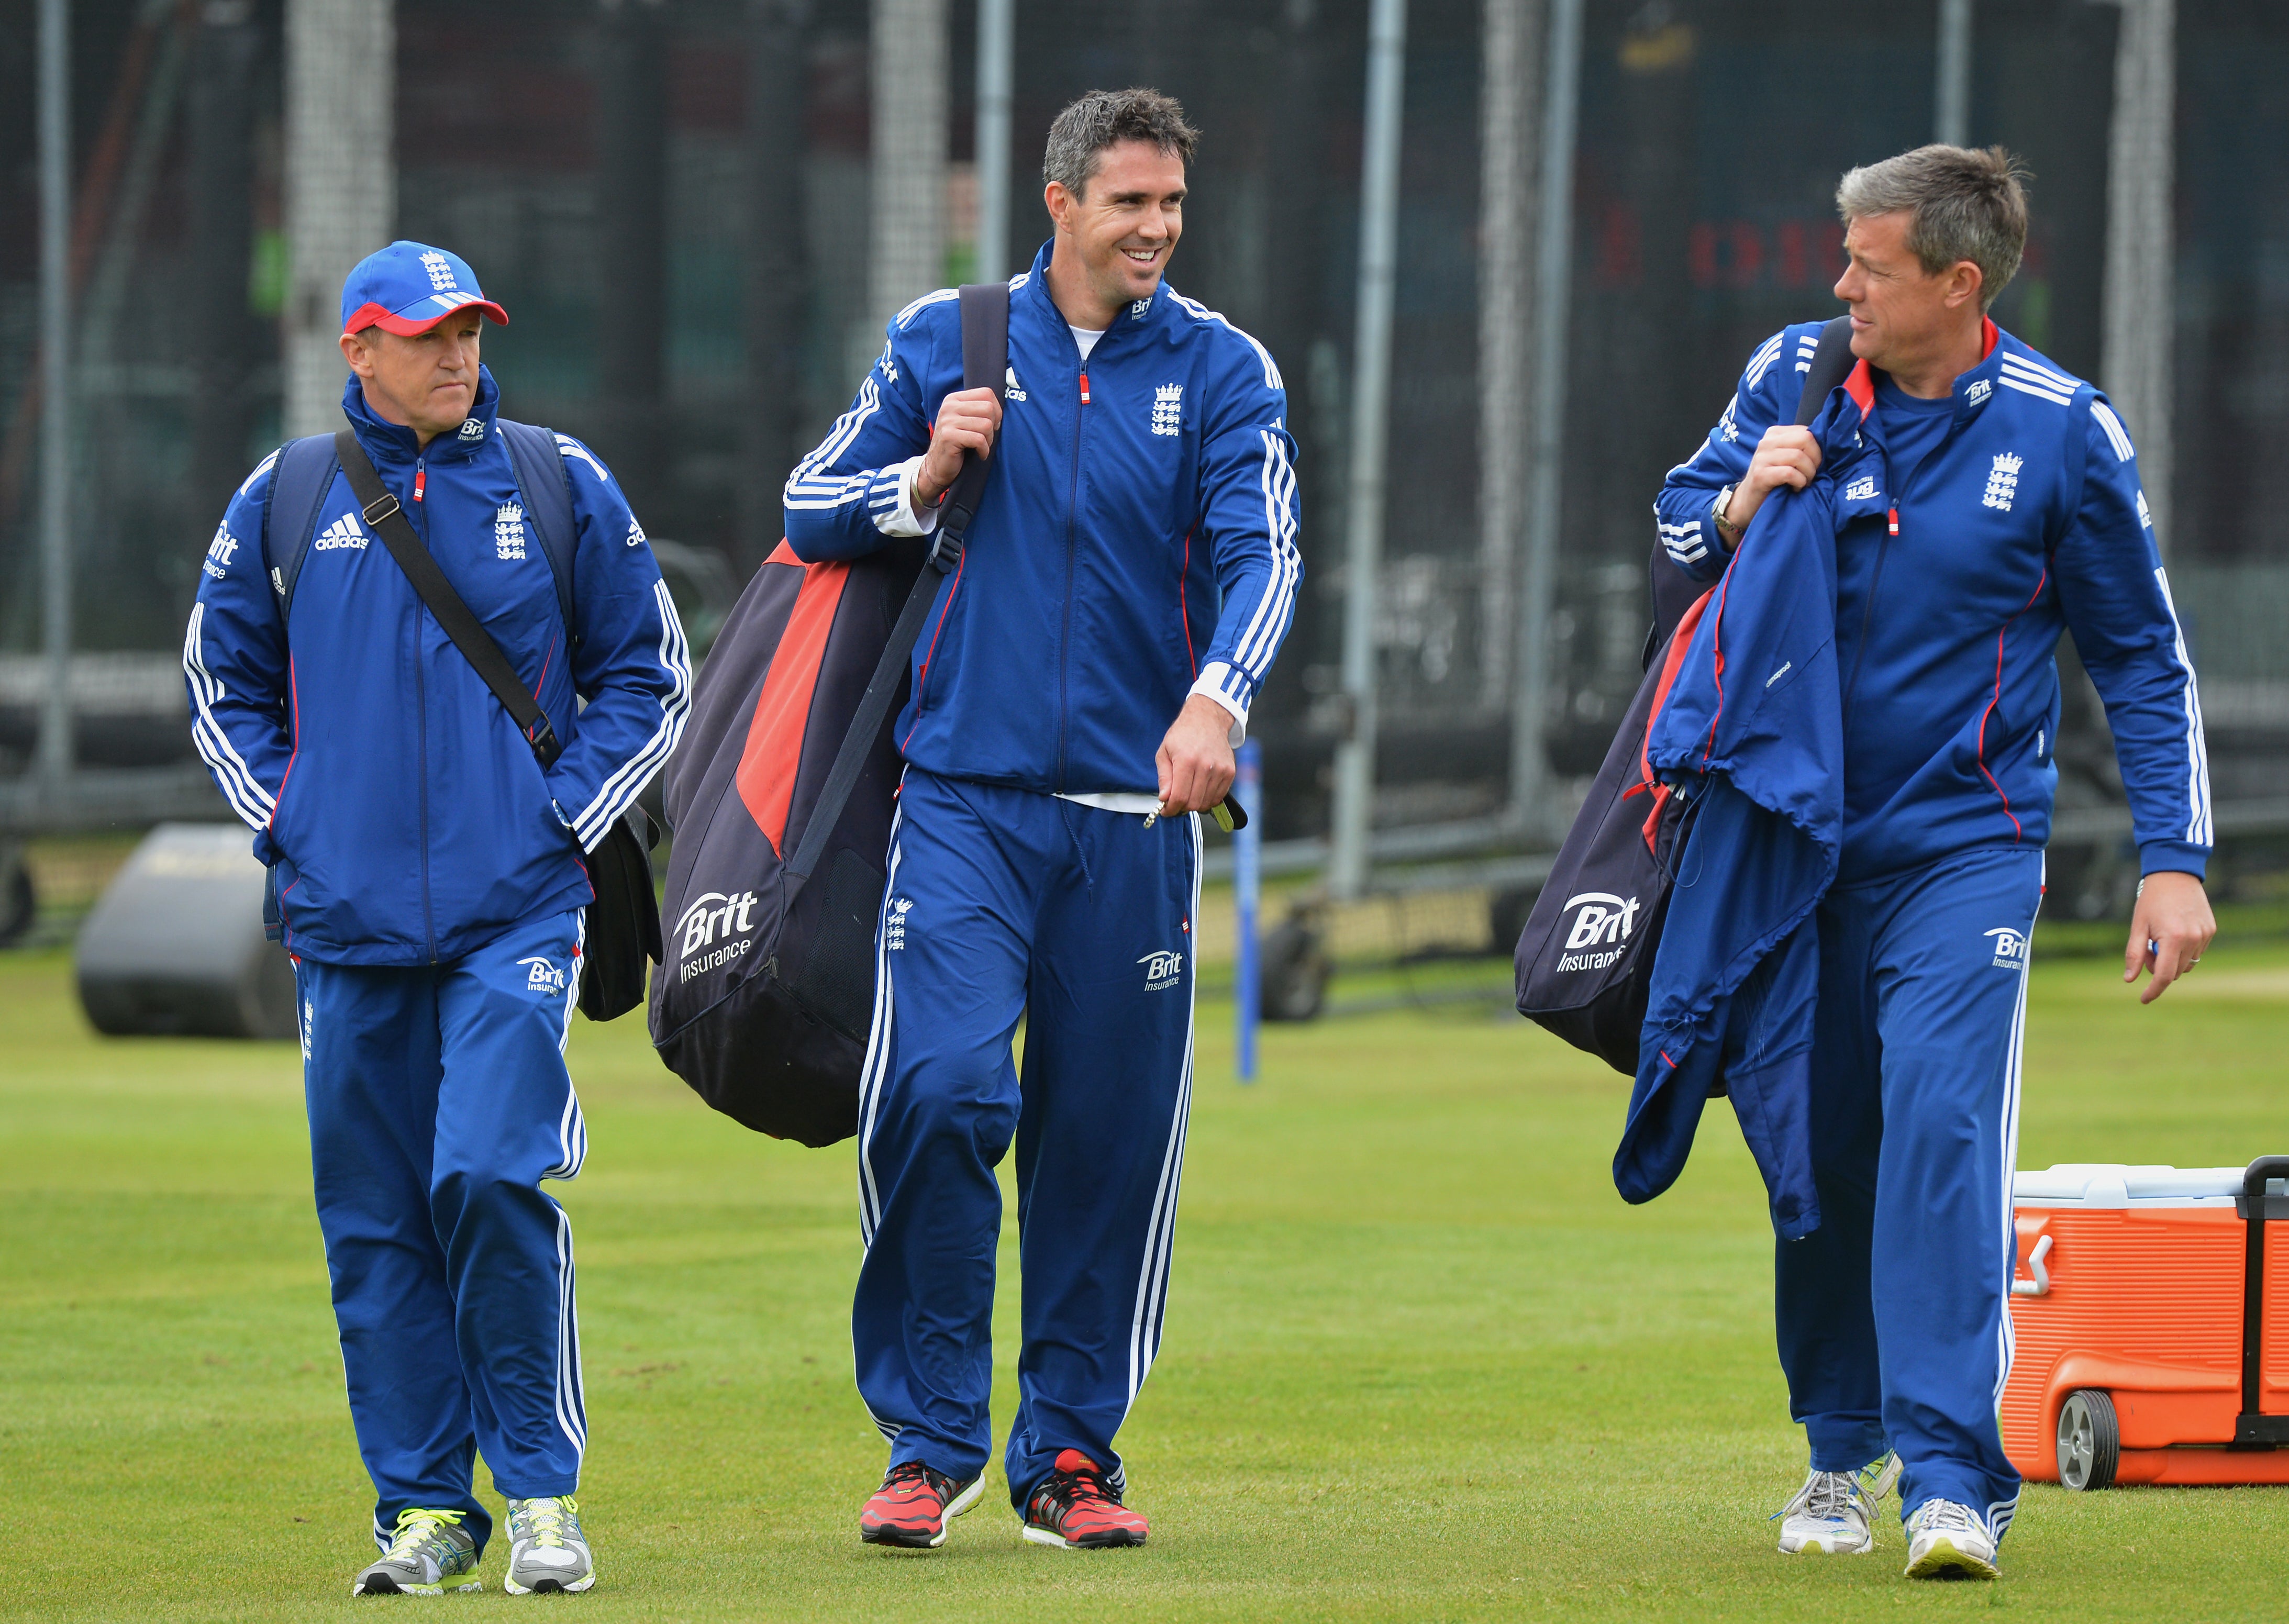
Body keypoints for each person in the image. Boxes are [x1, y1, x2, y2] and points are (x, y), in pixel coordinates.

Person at [1652, 146, 2214, 1579]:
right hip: (1787, 845)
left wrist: (2174, 859)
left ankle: (1957, 1482)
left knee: (1944, 1135)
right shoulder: (1788, 370)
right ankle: (1838, 1457)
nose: (1838, 285)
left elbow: (2142, 659)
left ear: (1958, 286)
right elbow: (1669, 522)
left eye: (1869, 266)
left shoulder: (2063, 431)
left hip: (1964, 851)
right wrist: (1733, 503)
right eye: (1840, 258)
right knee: (1820, 1150)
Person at [782, 87, 1299, 1551]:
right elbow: (810, 502)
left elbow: (1266, 556)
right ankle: (925, 1440)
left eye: (1173, 206)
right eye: (1130, 202)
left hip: (1136, 824)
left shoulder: (1219, 367)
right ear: (1059, 201)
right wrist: (922, 473)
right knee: (942, 1093)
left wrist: (1217, 701)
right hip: (960, 803)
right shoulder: (942, 337)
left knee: (1106, 1138)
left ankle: (1069, 1456)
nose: (1155, 229)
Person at [183, 241, 691, 1595]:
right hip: (342, 922)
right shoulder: (283, 497)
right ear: (358, 350)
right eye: (425, 335)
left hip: (515, 908)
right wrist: (289, 822)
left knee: (488, 1173)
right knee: (375, 1216)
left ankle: (538, 1497)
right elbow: (216, 679)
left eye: (468, 329)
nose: (456, 353)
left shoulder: (557, 478)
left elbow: (648, 674)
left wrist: (559, 816)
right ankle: (422, 1511)